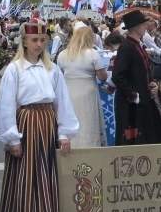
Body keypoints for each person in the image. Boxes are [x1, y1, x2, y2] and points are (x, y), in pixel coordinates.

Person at [0, 21, 78, 212]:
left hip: (47, 123)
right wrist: (13, 138)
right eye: (34, 40)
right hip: (27, 123)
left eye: (43, 40)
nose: (39, 44)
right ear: (24, 41)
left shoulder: (51, 69)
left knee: (47, 178)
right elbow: (6, 105)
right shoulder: (15, 69)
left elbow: (62, 101)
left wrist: (64, 133)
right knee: (28, 178)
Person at [112, 9, 161, 145]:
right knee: (133, 143)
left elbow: (143, 70)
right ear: (137, 27)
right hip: (131, 106)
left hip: (143, 102)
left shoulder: (137, 45)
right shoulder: (127, 47)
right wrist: (134, 95)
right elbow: (117, 76)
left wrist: (152, 84)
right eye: (144, 24)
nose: (146, 27)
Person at [57, 22, 108, 148]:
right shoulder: (92, 54)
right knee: (88, 122)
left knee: (71, 120)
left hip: (69, 92)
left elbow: (59, 75)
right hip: (88, 93)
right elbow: (103, 76)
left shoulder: (63, 54)